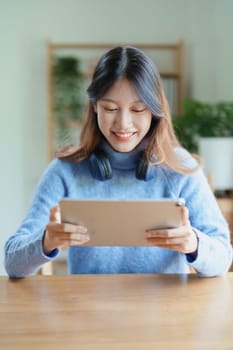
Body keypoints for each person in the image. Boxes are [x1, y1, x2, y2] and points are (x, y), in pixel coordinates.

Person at [4, 46, 232, 278]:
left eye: (138, 109)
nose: (123, 124)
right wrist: (45, 241)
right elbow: (12, 263)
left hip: (164, 312)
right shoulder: (66, 170)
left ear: (155, 111)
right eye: (110, 108)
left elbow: (223, 258)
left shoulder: (179, 169)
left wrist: (194, 243)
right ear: (94, 106)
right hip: (86, 310)